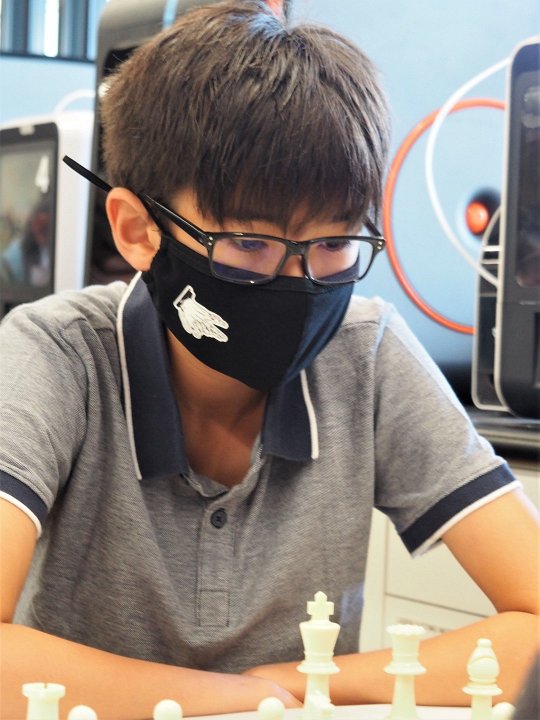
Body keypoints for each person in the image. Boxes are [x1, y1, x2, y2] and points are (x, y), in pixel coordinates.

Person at [0, 1, 538, 718]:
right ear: (137, 230)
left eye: (335, 244)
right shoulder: (56, 354)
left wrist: (301, 684)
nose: (300, 282)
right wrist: (240, 699)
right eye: (250, 245)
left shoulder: (367, 354)